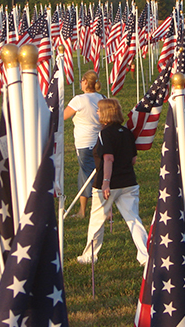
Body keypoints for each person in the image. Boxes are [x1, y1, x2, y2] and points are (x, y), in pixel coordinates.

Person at [77, 98, 149, 266]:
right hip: (129, 182)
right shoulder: (127, 132)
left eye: (99, 110)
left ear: (106, 113)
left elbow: (108, 158)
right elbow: (133, 160)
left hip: (108, 184)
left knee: (96, 221)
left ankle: (89, 256)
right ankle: (145, 254)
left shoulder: (104, 134)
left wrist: (106, 183)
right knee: (133, 219)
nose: (97, 112)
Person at [64, 70, 106, 218]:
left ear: (86, 82)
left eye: (82, 80)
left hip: (85, 143)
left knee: (90, 176)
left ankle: (100, 211)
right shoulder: (102, 98)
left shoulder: (79, 100)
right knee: (86, 175)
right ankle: (83, 210)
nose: (80, 83)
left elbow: (63, 116)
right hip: (99, 142)